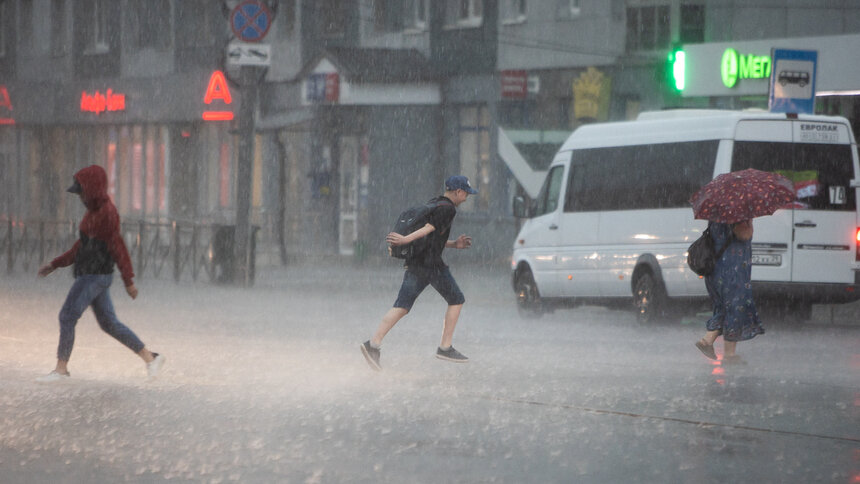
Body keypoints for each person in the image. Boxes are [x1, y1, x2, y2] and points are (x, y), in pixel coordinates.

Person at [36, 165, 165, 382]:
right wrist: (56, 264)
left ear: (92, 190)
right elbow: (82, 246)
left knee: (67, 315)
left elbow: (118, 246)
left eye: (81, 192)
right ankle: (150, 358)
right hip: (93, 274)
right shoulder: (93, 213)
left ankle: (61, 369)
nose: (79, 197)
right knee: (109, 323)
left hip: (94, 275)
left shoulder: (106, 213)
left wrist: (128, 280)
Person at [361, 175, 477, 371]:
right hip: (431, 265)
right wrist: (405, 240)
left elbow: (431, 236)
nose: (466, 198)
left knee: (402, 306)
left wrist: (453, 244)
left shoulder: (434, 203)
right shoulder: (448, 209)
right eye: (466, 194)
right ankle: (445, 347)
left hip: (417, 262)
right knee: (456, 299)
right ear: (458, 192)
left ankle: (373, 344)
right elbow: (427, 229)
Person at [695, 219, 764, 364]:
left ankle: (707, 341)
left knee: (724, 307)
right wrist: (749, 223)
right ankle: (729, 354)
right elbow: (744, 234)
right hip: (733, 269)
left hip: (715, 268)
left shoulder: (717, 213)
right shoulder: (738, 215)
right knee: (736, 307)